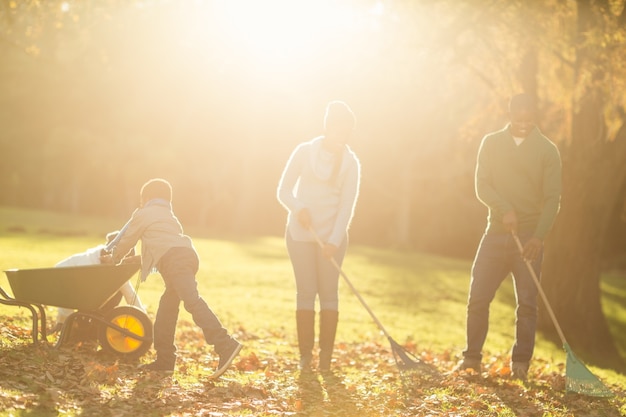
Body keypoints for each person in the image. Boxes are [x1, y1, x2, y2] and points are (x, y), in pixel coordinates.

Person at [457, 93, 562, 381]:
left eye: (529, 120)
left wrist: (538, 237)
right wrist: (504, 209)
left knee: (527, 304)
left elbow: (553, 199)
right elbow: (482, 185)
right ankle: (471, 359)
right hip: (494, 235)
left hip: (529, 240)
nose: (524, 125)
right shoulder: (491, 143)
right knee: (478, 298)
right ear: (510, 115)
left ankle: (520, 364)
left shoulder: (547, 150)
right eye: (519, 119)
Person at [102, 178, 242, 376]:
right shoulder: (168, 215)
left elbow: (127, 239)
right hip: (185, 257)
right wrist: (134, 260)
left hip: (175, 262)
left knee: (191, 301)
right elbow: (160, 247)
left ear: (147, 198)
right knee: (167, 309)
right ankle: (165, 360)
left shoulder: (144, 213)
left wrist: (114, 258)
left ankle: (225, 343)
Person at [277, 100, 361, 371]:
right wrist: (299, 207)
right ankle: (305, 357)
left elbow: (347, 206)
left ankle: (325, 358)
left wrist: (334, 241)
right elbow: (283, 190)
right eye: (338, 129)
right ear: (327, 127)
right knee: (306, 292)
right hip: (301, 235)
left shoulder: (351, 163)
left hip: (332, 238)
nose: (342, 135)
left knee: (328, 295)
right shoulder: (304, 152)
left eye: (346, 131)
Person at [52, 231, 146, 333]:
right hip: (64, 280)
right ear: (107, 254)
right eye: (120, 260)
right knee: (75, 293)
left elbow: (130, 294)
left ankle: (96, 325)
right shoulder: (88, 263)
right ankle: (69, 325)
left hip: (89, 296)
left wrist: (144, 320)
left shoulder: (115, 268)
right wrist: (65, 321)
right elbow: (68, 294)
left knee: (118, 289)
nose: (121, 264)